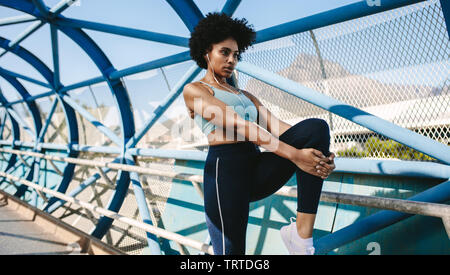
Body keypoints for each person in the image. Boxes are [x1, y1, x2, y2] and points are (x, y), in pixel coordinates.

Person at [183, 12, 335, 255]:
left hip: (256, 168)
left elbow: (280, 128)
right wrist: (296, 155)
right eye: (224, 52)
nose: (232, 59)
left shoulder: (246, 96)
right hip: (225, 175)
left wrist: (319, 156)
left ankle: (300, 236)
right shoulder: (195, 90)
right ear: (206, 52)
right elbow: (240, 126)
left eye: (236, 55)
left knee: (315, 129)